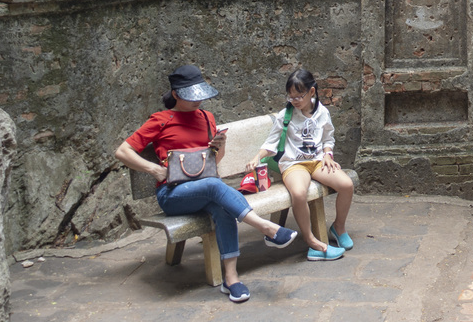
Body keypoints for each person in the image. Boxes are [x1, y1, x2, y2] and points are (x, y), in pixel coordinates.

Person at [114, 65, 298, 303]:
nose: (198, 101)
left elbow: (215, 162)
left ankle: (231, 279)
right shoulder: (161, 120)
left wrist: (220, 146)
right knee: (214, 186)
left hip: (205, 188)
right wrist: (154, 169)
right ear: (176, 94)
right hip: (173, 195)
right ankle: (267, 229)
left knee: (222, 207)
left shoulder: (206, 117)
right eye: (191, 96)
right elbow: (122, 151)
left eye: (200, 95)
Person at [252, 69, 355, 261]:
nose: (295, 101)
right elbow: (270, 143)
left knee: (347, 185)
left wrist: (328, 154)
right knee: (299, 194)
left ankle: (338, 227)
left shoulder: (322, 112)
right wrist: (257, 157)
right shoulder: (286, 115)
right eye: (291, 97)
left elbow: (328, 138)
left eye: (299, 96)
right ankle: (312, 242)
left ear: (312, 92)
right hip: (294, 164)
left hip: (317, 161)